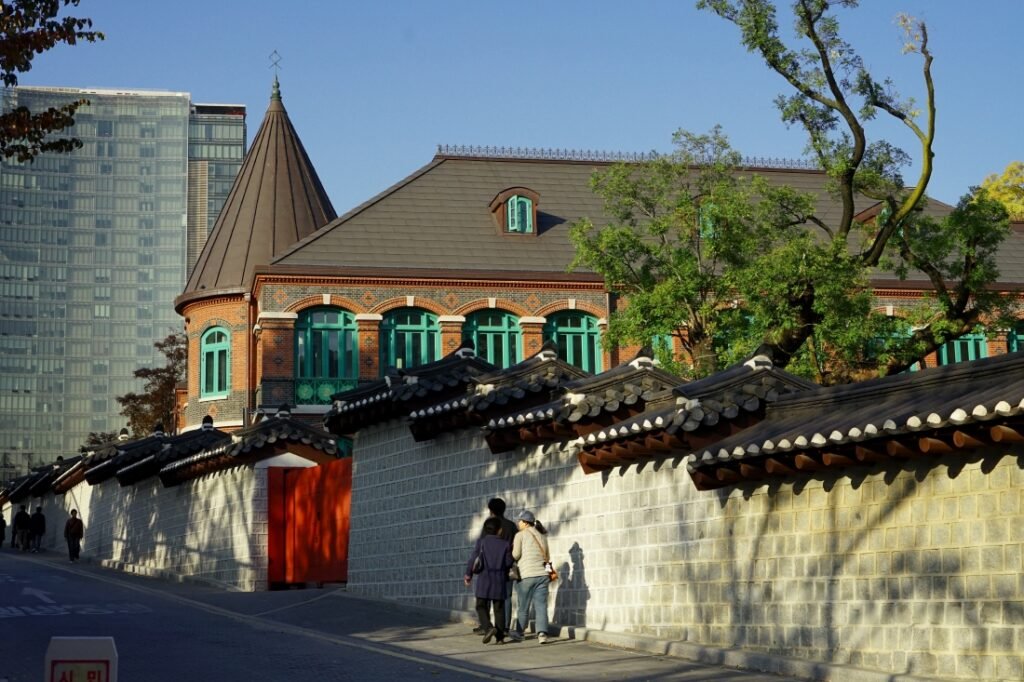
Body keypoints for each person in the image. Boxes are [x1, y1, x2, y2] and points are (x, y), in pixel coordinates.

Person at [464, 517, 513, 645]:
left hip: (485, 579)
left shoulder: (481, 542)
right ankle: (500, 638)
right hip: (499, 579)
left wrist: (468, 575)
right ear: (499, 530)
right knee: (499, 608)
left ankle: (488, 628)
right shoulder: (505, 544)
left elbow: (473, 559)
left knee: (481, 606)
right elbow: (508, 562)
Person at [472, 498, 518, 634]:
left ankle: (486, 626)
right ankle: (503, 628)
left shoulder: (489, 525)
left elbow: (480, 546)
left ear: (490, 510)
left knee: (484, 597)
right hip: (505, 566)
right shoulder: (511, 526)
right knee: (505, 599)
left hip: (488, 568)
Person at [510, 510, 552, 644]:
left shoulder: (520, 535)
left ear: (525, 522)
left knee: (523, 606)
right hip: (543, 575)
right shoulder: (542, 536)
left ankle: (519, 632)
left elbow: (516, 555)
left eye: (519, 521)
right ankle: (542, 634)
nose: (518, 523)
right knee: (541, 606)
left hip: (527, 575)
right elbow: (547, 556)